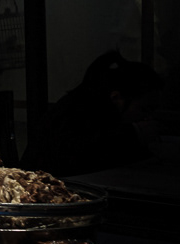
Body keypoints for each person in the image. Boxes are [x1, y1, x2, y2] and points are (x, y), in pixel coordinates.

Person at [24, 50, 162, 176]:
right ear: (117, 98)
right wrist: (134, 134)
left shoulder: (89, 103)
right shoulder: (82, 111)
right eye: (144, 109)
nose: (147, 117)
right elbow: (84, 157)